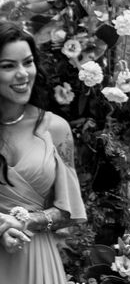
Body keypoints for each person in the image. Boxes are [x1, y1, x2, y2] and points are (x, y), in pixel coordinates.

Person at [0, 21, 86, 283]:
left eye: (28, 62)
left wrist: (27, 221)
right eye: (8, 66)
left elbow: (68, 212)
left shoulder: (55, 128)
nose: (23, 73)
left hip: (37, 260)